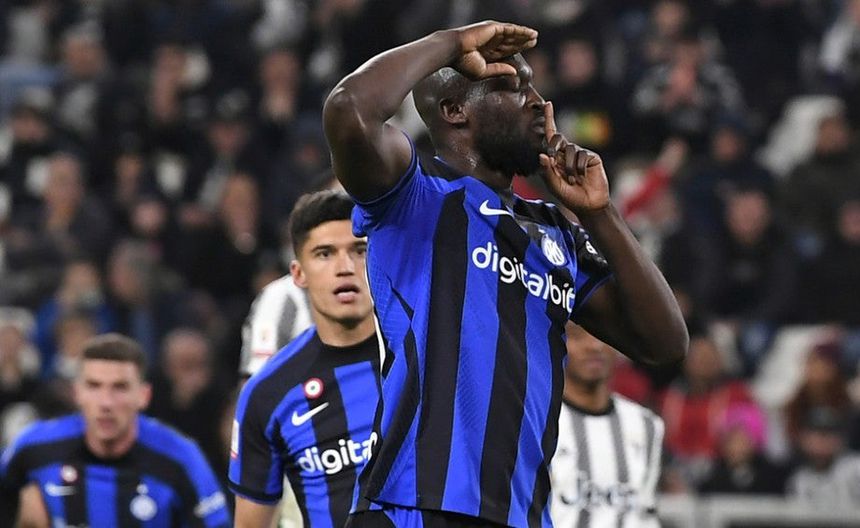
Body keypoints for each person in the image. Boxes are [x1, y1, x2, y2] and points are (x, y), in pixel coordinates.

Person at [323, 20, 688, 527]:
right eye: (514, 87)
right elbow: (348, 110)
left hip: (521, 515)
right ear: (454, 111)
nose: (539, 103)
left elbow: (665, 342)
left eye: (534, 87)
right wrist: (451, 43)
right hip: (414, 505)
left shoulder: (556, 232)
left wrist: (601, 215)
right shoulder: (416, 194)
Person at [228, 190, 381, 528]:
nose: (345, 268)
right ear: (298, 274)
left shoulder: (428, 357)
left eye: (359, 251)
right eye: (324, 254)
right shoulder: (268, 393)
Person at [0, 333, 230, 527]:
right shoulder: (35, 448)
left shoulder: (180, 457)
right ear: (77, 393)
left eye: (120, 387)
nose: (106, 403)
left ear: (143, 396)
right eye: (94, 386)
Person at [550, 323, 664, 527]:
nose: (594, 346)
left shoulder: (647, 425)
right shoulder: (539, 421)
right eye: (578, 336)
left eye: (604, 336)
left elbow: (646, 513)